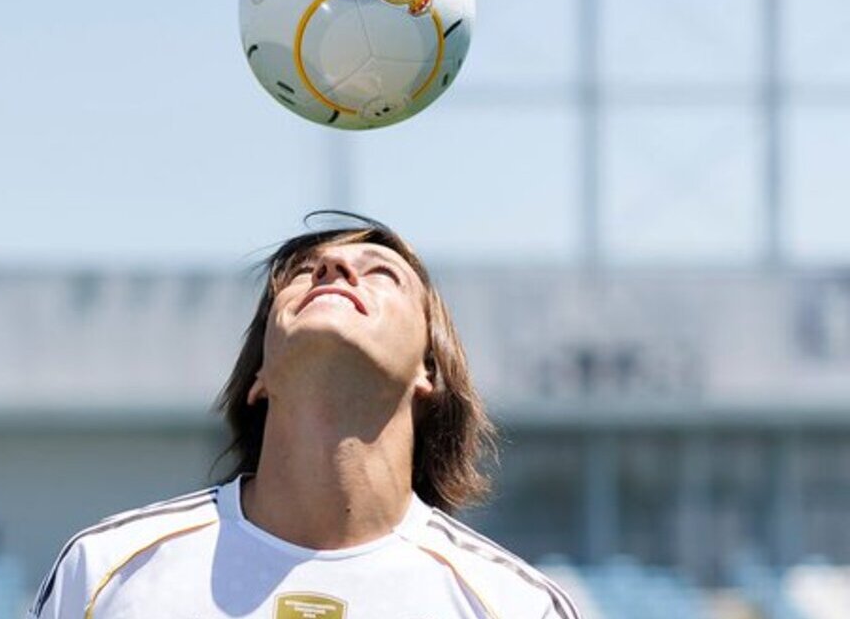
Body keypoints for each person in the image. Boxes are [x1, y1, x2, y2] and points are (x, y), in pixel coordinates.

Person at [28, 216, 582, 619]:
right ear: (258, 376)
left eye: (382, 273)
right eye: (303, 273)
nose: (333, 269)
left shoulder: (516, 606)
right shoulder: (103, 571)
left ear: (429, 370)